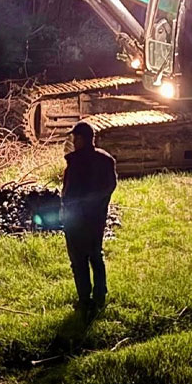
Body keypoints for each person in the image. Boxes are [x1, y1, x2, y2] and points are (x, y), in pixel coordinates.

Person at [61, 122, 117, 311]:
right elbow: (110, 187)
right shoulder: (106, 160)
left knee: (78, 260)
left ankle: (84, 298)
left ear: (82, 139)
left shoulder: (75, 163)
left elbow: (69, 194)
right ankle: (100, 295)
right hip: (97, 218)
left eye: (75, 138)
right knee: (95, 255)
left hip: (76, 220)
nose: (73, 142)